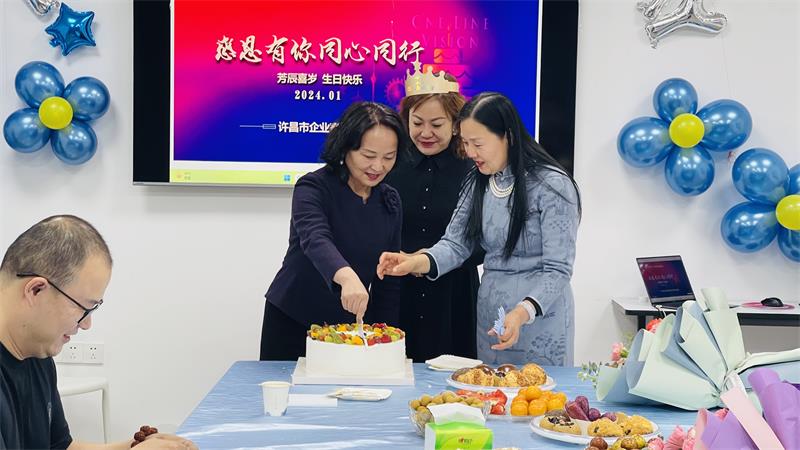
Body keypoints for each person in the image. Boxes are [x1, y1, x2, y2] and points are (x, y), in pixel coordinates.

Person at [378, 92, 581, 366]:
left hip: (539, 318)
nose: (470, 152)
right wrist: (414, 262)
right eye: (465, 142)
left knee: (538, 389)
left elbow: (558, 269)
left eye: (477, 143)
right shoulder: (478, 180)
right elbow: (455, 244)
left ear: (507, 136)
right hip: (492, 316)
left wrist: (522, 311)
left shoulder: (552, 185)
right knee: (488, 388)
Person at [0, 215, 197, 450]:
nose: (86, 324)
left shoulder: (37, 354)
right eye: (83, 308)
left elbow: (60, 447)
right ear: (36, 290)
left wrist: (131, 446)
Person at [260, 102, 408, 361]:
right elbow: (315, 239)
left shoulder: (390, 200)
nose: (378, 166)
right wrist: (347, 277)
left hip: (350, 327)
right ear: (346, 147)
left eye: (389, 157)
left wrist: (386, 339)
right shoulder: (313, 187)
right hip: (294, 317)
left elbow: (388, 277)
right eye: (368, 155)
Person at [383, 62, 480, 362]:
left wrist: (432, 260)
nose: (426, 133)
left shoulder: (474, 169)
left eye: (436, 125)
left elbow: (484, 238)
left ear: (455, 123)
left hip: (453, 294)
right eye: (417, 123)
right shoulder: (389, 165)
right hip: (397, 289)